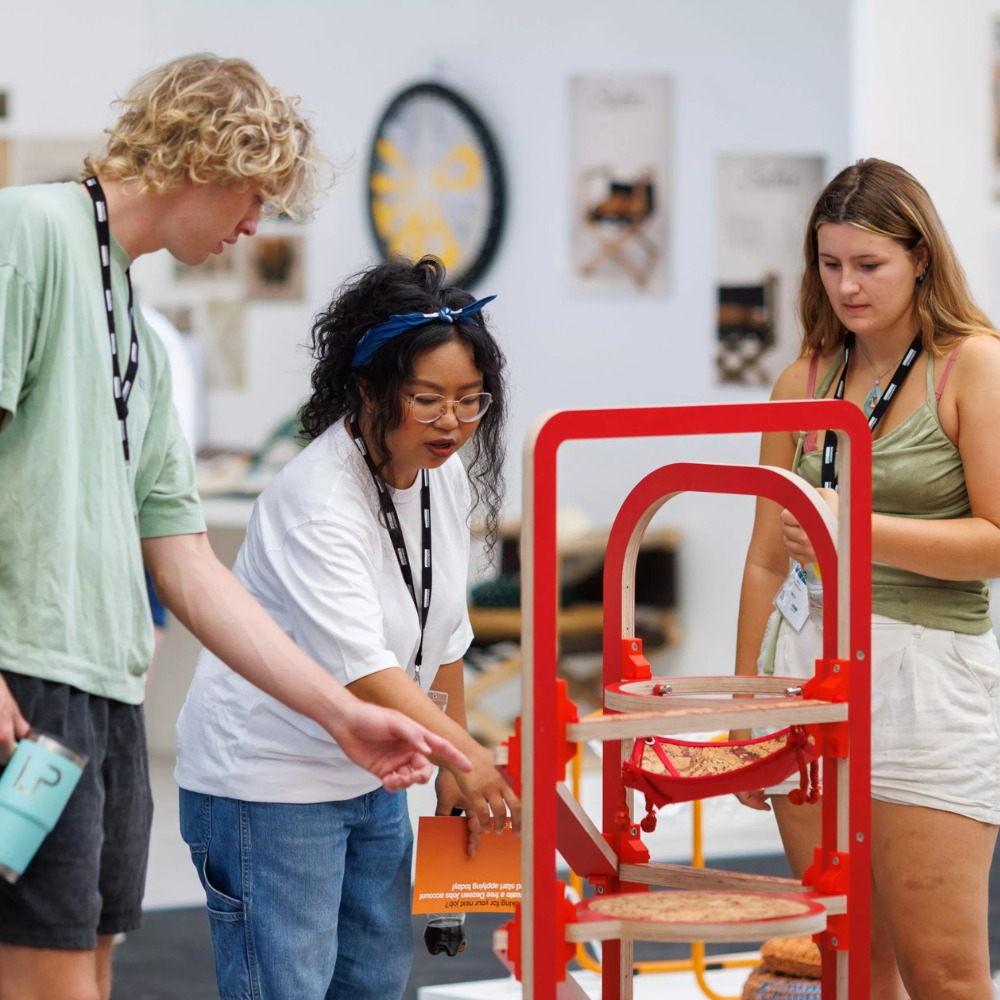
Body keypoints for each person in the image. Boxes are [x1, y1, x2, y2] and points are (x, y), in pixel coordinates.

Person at [0, 55, 470, 1000]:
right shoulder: (30, 234)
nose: (255, 224)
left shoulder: (138, 333)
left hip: (106, 692)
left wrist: (340, 713)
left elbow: (187, 564)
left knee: (89, 969)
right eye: (255, 196)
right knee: (46, 977)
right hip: (29, 679)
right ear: (204, 162)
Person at [175, 254, 521, 1000]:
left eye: (471, 400)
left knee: (373, 981)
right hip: (270, 778)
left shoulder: (440, 474)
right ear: (368, 390)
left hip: (378, 766)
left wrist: (452, 766)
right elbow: (365, 670)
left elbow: (444, 635)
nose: (452, 422)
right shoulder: (319, 501)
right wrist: (467, 754)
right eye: (427, 399)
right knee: (288, 987)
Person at [733, 158, 1000, 999]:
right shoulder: (802, 381)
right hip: (804, 673)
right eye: (830, 263)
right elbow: (765, 558)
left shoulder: (974, 367)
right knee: (850, 963)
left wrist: (852, 529)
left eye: (869, 264)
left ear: (921, 257)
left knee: (945, 971)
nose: (847, 286)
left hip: (928, 679)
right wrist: (747, 711)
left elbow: (997, 541)